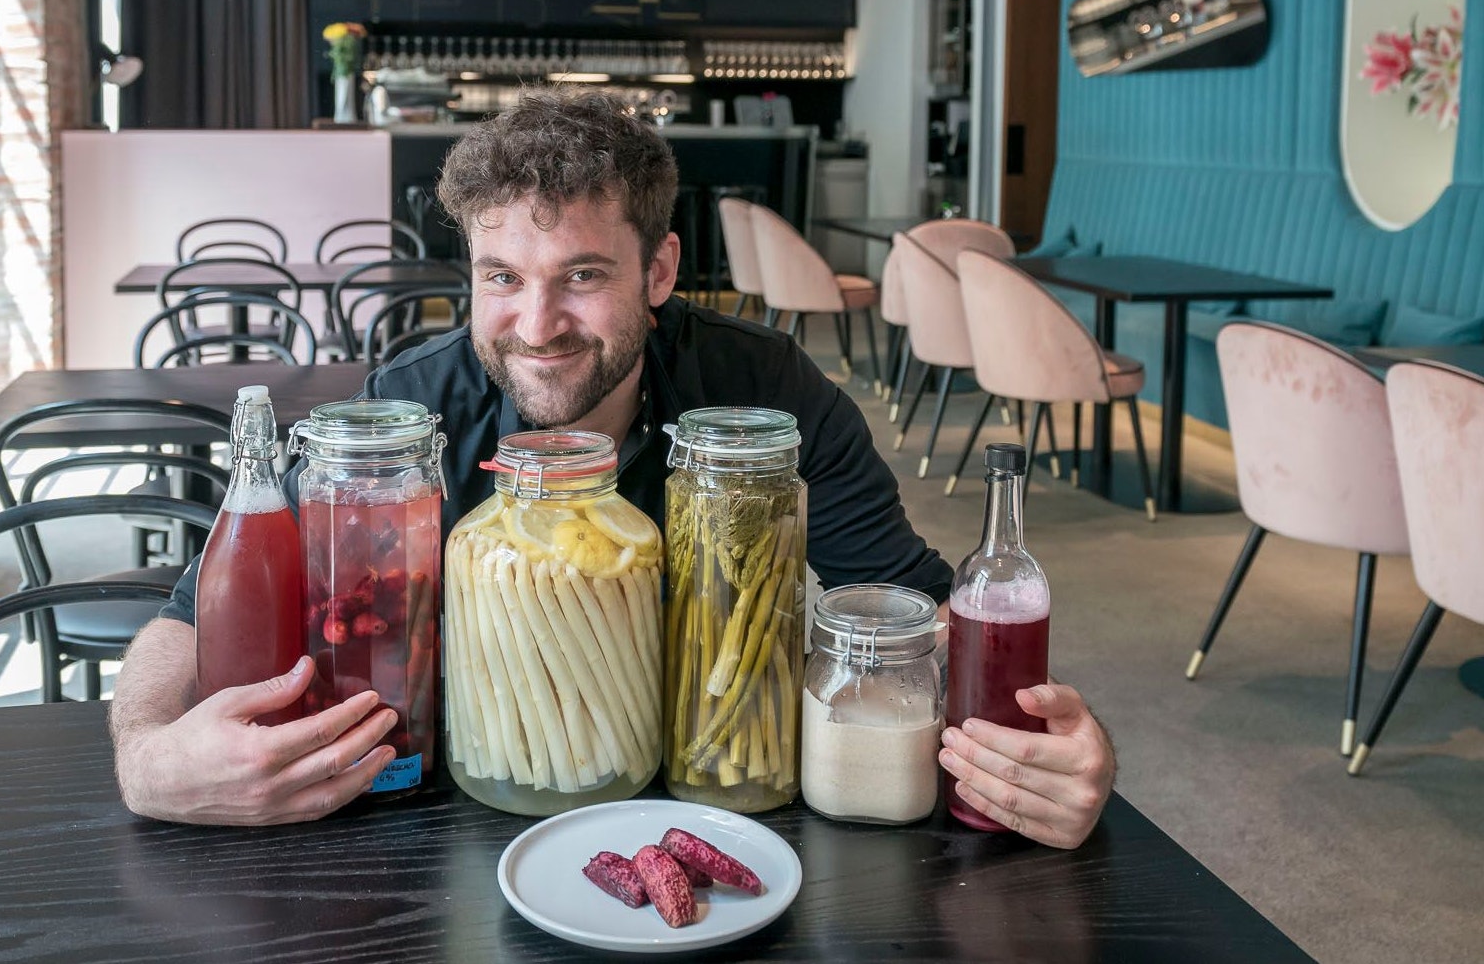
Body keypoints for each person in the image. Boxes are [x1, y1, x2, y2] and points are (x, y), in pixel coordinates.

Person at [111, 89, 1116, 847]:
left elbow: (910, 613)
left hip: (724, 817)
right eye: (501, 278)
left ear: (662, 271)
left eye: (582, 276)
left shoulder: (762, 400)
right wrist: (148, 759)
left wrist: (1037, 750)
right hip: (460, 814)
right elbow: (188, 615)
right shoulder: (407, 420)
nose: (536, 325)